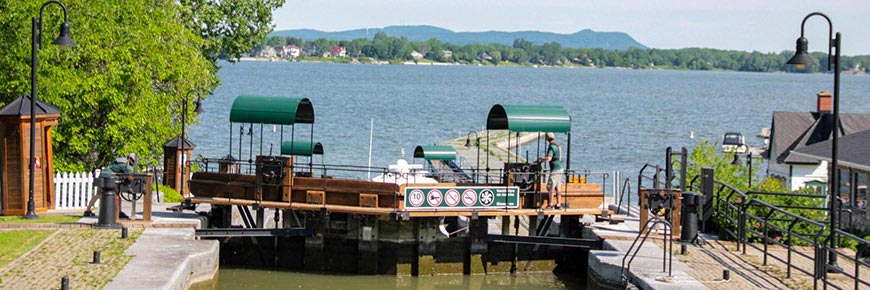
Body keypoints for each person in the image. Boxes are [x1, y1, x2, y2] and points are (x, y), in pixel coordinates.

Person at [537, 133, 563, 209]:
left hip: (555, 169)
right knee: (558, 188)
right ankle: (559, 204)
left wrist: (541, 159)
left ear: (547, 139)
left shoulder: (551, 147)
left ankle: (550, 204)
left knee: (550, 187)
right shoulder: (557, 145)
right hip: (560, 168)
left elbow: (549, 158)